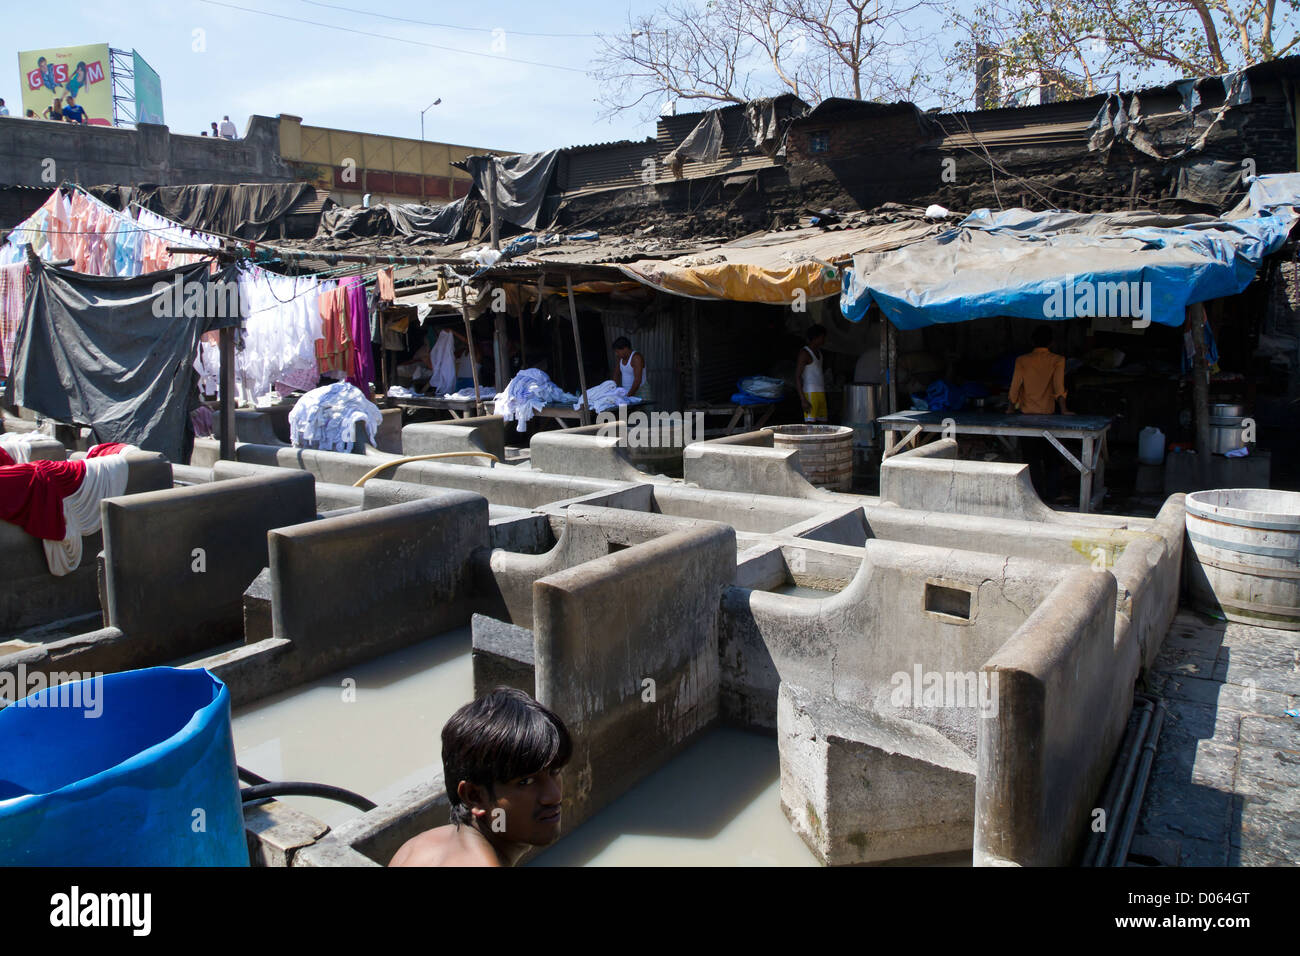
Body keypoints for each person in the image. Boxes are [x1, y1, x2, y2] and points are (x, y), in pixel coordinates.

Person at [389, 688, 570, 867]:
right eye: (525, 782)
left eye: (555, 772)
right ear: (474, 796)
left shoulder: (418, 846)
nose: (554, 796)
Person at [1009, 324, 1073, 501]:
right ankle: (1053, 495)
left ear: (1032, 341)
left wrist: (1009, 407)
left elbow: (1015, 387)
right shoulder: (1057, 360)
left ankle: (1034, 496)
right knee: (1051, 457)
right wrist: (1065, 410)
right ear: (1051, 342)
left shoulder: (1022, 360)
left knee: (1031, 458)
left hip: (1026, 417)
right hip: (1048, 417)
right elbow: (1059, 387)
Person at [796, 324, 829, 423]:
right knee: (810, 426)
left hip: (820, 392)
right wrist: (803, 399)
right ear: (815, 338)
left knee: (823, 425)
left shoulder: (819, 353)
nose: (824, 340)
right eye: (822, 337)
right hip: (810, 392)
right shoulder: (805, 353)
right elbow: (797, 377)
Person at [611, 336, 650, 401]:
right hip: (626, 391)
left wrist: (628, 396)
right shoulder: (620, 358)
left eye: (618, 351)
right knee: (624, 410)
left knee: (646, 410)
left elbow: (637, 380)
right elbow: (616, 374)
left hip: (640, 390)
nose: (616, 354)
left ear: (625, 349)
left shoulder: (636, 358)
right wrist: (613, 389)